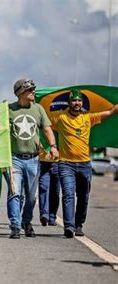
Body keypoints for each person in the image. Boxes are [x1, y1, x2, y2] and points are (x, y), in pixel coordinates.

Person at [50, 90, 118, 238]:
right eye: (74, 101)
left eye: (79, 101)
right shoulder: (60, 118)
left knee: (83, 197)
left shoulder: (89, 118)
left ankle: (78, 224)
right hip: (65, 164)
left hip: (84, 165)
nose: (77, 103)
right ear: (69, 103)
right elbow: (44, 124)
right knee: (68, 195)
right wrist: (52, 146)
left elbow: (109, 113)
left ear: (82, 103)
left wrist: (115, 108)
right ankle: (69, 227)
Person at [7, 78, 59, 239]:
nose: (33, 92)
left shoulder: (38, 109)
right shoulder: (8, 110)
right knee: (15, 193)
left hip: (34, 159)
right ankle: (15, 225)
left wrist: (53, 147)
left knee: (31, 196)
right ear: (20, 93)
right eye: (30, 90)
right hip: (14, 159)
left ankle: (26, 222)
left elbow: (47, 130)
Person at [38, 147, 60, 227]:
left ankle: (52, 217)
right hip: (43, 161)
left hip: (57, 162)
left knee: (55, 191)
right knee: (43, 188)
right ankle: (44, 215)